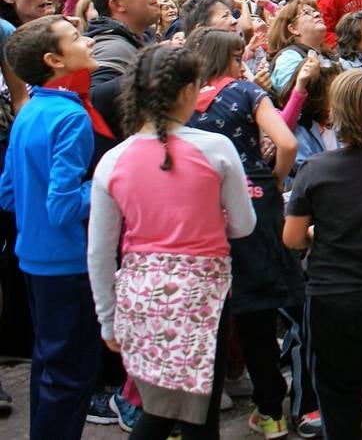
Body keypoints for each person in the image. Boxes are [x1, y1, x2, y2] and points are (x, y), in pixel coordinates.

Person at [87, 44, 256, 439]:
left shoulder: (113, 160)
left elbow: (99, 252)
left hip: (140, 297)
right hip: (204, 297)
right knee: (196, 412)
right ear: (185, 91)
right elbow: (244, 224)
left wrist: (108, 318)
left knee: (160, 405)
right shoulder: (216, 149)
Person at [186, 28, 302, 439]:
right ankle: (271, 411)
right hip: (254, 199)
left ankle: (193, 416)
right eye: (239, 57)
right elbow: (286, 141)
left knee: (207, 315)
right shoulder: (247, 92)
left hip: (200, 205)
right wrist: (274, 176)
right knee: (257, 308)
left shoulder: (182, 99)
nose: (243, 65)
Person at [285, 69, 362, 439]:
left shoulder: (316, 169)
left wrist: (317, 232)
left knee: (338, 389)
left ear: (338, 113)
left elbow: (292, 238)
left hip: (331, 295)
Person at [0, 14, 104, 439]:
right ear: (54, 60)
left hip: (33, 257)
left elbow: (8, 193)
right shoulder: (70, 116)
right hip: (66, 263)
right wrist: (104, 183)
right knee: (70, 375)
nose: (88, 40)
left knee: (50, 364)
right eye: (76, 37)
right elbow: (62, 206)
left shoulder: (30, 109)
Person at [85, 0, 159, 87]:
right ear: (117, 4)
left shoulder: (141, 37)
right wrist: (157, 65)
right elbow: (94, 96)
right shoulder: (112, 48)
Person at [268, 0, 332, 95]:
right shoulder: (288, 58)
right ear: (293, 28)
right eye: (306, 12)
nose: (317, 14)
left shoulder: (330, 56)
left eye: (315, 11)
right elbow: (289, 99)